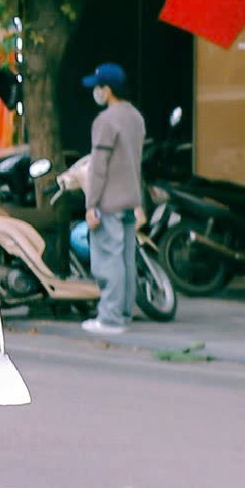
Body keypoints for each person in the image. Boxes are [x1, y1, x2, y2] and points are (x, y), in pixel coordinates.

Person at [78, 63, 144, 335]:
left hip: (109, 200)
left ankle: (110, 318)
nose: (95, 91)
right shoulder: (136, 117)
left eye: (97, 87)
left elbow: (98, 167)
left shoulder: (105, 121)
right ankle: (124, 313)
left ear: (107, 90)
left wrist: (91, 204)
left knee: (108, 259)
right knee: (126, 259)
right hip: (130, 198)